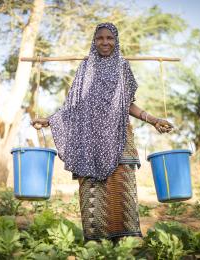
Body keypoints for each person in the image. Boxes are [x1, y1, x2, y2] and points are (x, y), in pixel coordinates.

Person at [32, 22, 173, 242]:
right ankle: (95, 243)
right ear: (94, 40)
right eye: (100, 38)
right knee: (91, 191)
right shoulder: (85, 68)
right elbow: (73, 105)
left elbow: (128, 104)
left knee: (121, 186)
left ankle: (127, 241)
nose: (105, 42)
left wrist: (153, 120)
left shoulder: (122, 67)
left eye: (110, 38)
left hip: (119, 136)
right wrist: (49, 120)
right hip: (88, 139)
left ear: (116, 41)